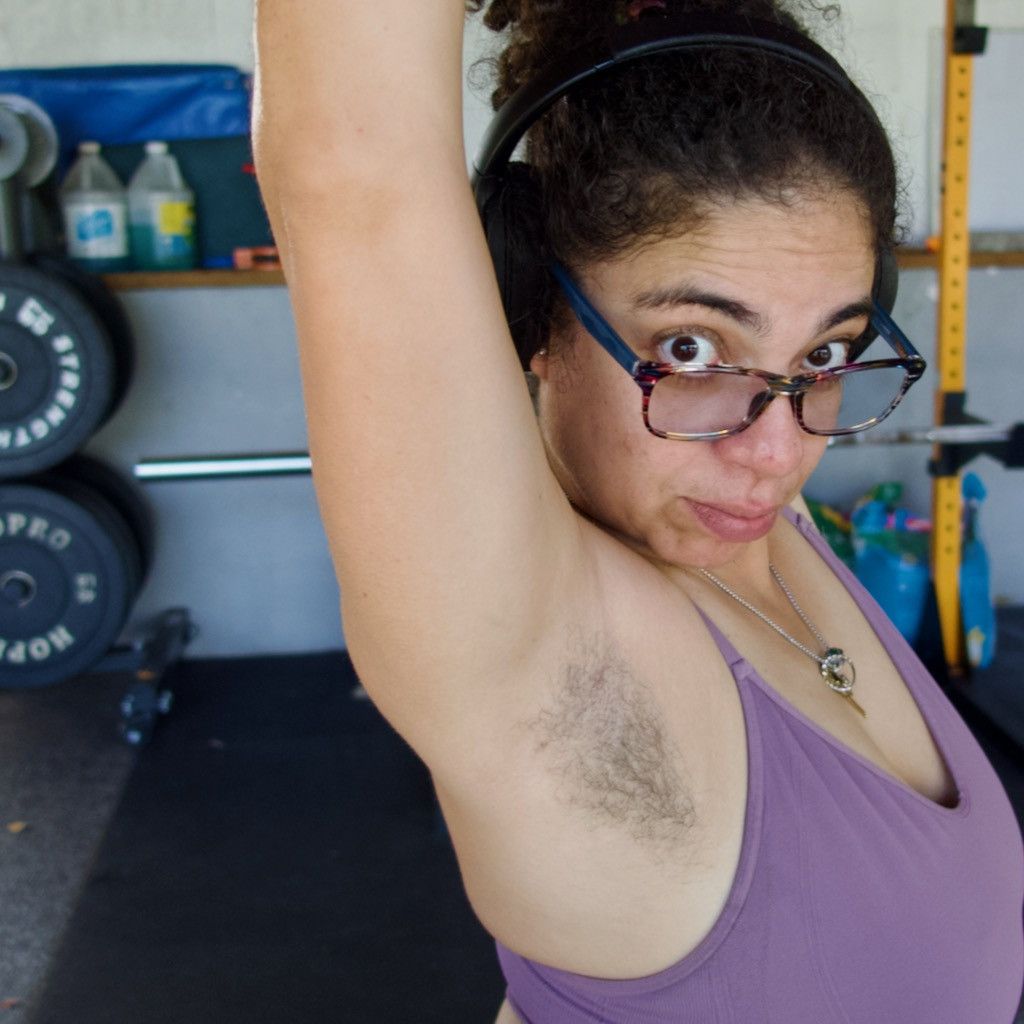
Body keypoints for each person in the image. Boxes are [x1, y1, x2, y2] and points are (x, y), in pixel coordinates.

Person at [252, 0, 1024, 1020]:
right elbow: (352, 167)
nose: (778, 451)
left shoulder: (744, 520)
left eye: (826, 353)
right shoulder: (539, 659)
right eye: (691, 349)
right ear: (531, 310)